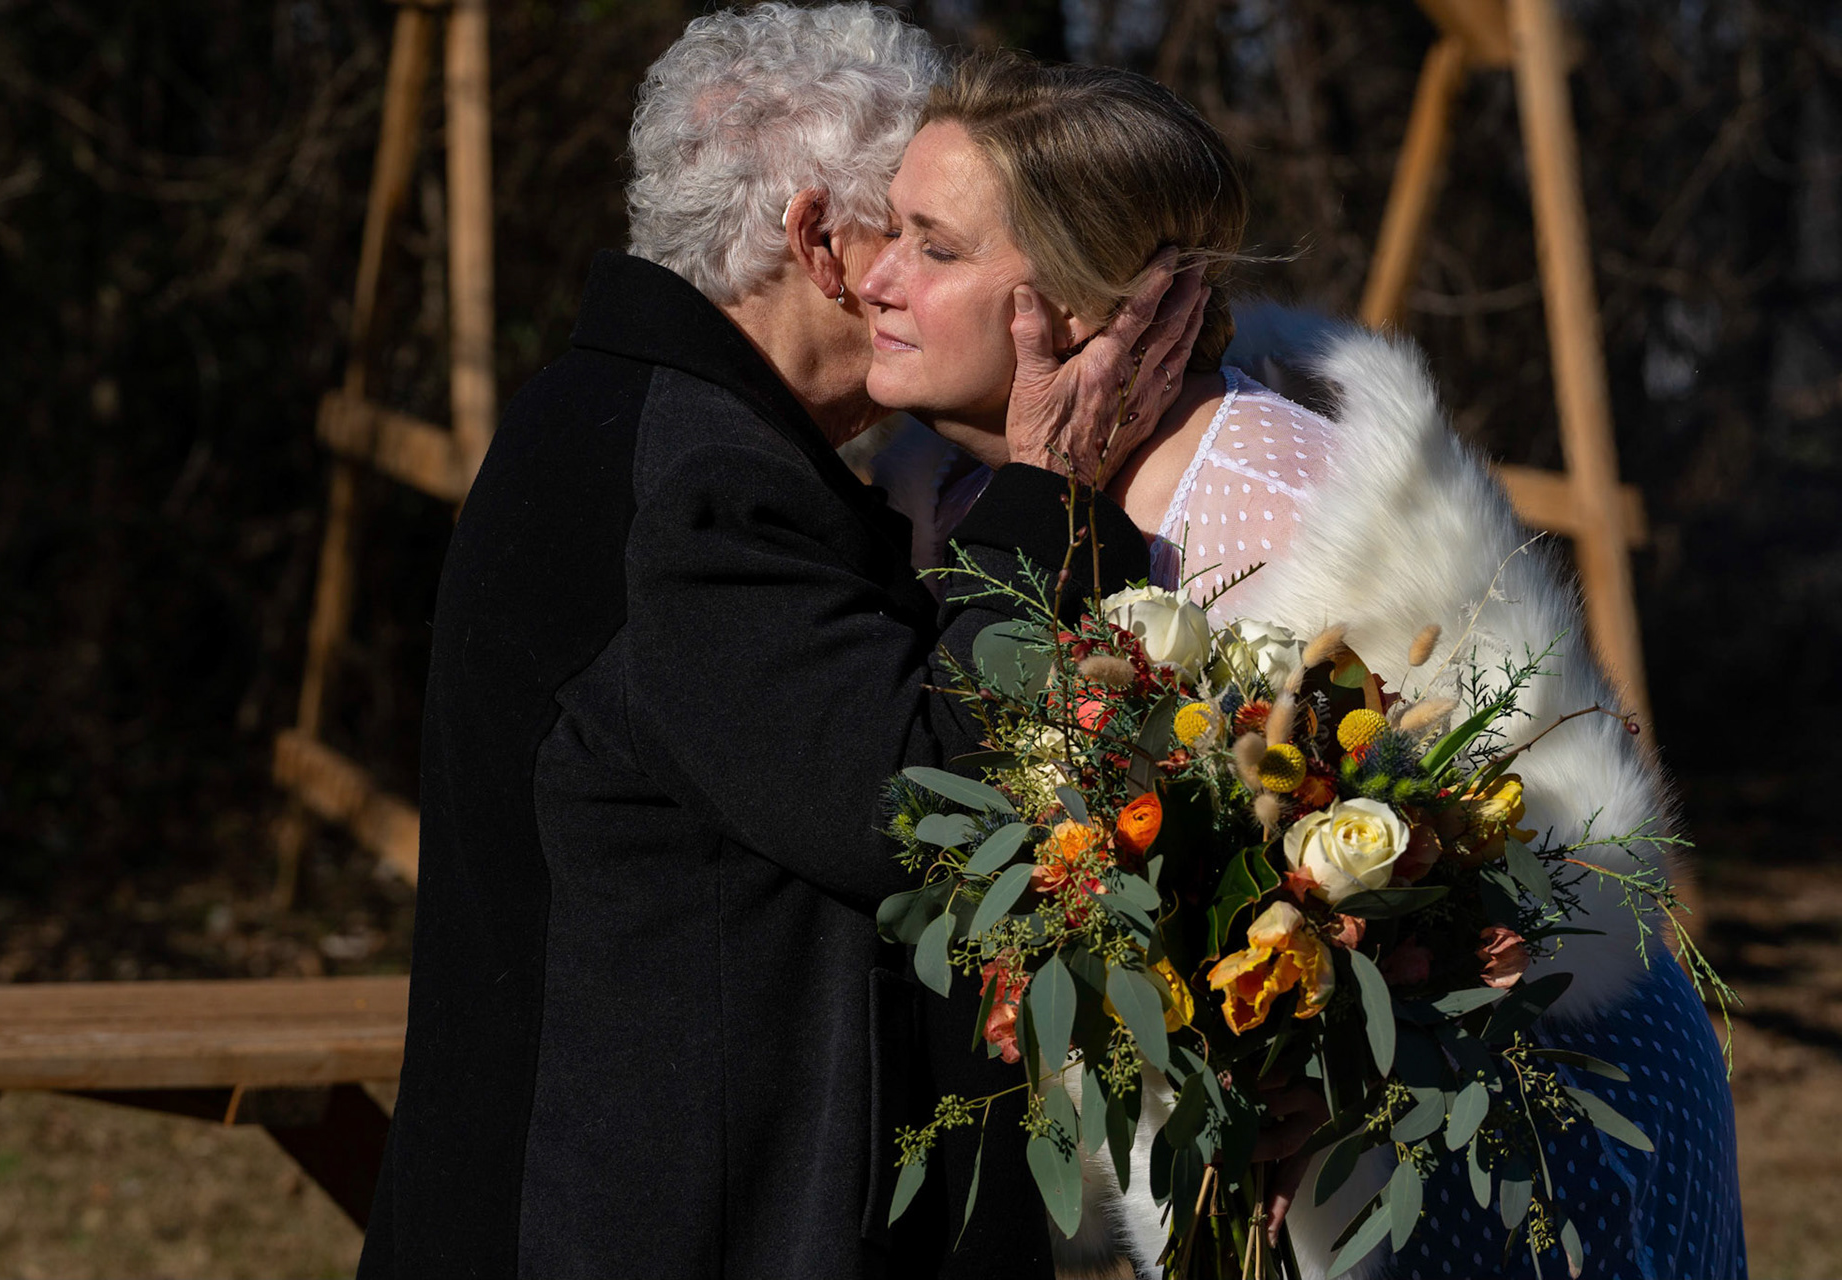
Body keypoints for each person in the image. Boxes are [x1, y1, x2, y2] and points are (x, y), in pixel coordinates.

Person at [858, 50, 1745, 1280]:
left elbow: (1522, 879)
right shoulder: (966, 501)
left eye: (932, 246)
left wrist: (1340, 1060)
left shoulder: (1277, 507)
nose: (876, 277)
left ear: (1071, 306)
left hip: (1527, 1137)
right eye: (883, 230)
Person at [354, 9, 1209, 1280]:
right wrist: (1051, 492)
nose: (906, 283)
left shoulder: (632, 424)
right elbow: (935, 805)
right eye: (906, 236)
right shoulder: (695, 490)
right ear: (817, 241)